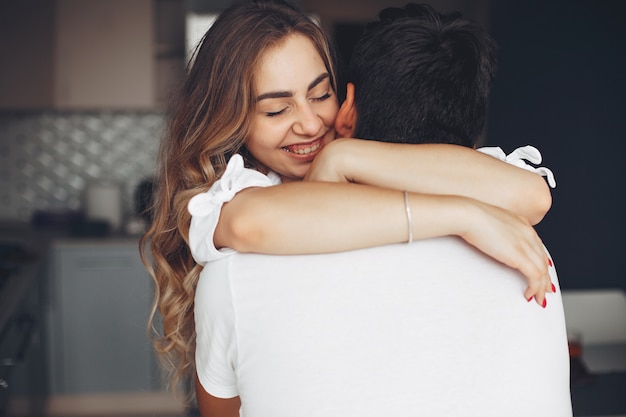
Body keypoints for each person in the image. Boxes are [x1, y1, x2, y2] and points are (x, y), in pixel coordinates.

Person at [139, 0, 559, 414]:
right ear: (229, 119)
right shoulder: (238, 196)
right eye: (276, 109)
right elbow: (250, 223)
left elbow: (533, 196)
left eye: (321, 94)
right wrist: (465, 216)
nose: (309, 123)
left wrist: (345, 157)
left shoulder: (366, 158)